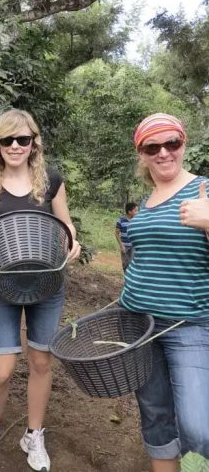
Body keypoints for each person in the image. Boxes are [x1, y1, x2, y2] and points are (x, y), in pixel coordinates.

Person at [0, 109, 81, 472]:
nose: (15, 146)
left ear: (34, 143)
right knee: (1, 369)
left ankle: (33, 433)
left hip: (48, 281)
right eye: (7, 140)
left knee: (41, 362)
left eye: (23, 139)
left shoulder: (51, 180)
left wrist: (73, 242)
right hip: (2, 283)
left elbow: (65, 226)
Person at [120, 113, 209, 471]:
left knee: (198, 425)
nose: (163, 153)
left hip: (189, 326)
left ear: (183, 144)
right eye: (152, 146)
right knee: (155, 413)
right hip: (138, 324)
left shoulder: (204, 190)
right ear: (141, 154)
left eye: (171, 143)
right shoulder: (147, 201)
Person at [115, 201, 138, 271]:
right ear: (129, 211)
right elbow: (116, 233)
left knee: (132, 265)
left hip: (133, 246)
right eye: (135, 210)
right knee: (125, 264)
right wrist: (121, 245)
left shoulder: (136, 220)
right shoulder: (121, 220)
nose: (137, 212)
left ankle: (131, 280)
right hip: (124, 246)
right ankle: (126, 279)